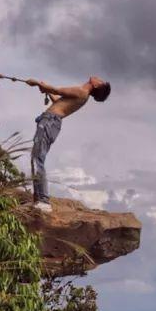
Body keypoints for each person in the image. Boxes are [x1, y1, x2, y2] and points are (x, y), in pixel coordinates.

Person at [23, 75, 111, 212]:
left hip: (49, 121)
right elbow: (58, 100)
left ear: (95, 86)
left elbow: (56, 90)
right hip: (51, 122)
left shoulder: (81, 91)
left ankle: (43, 201)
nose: (99, 78)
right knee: (37, 158)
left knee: (37, 158)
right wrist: (45, 89)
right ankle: (40, 199)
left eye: (101, 81)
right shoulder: (82, 94)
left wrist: (36, 83)